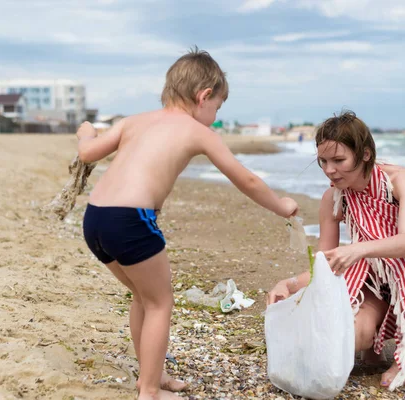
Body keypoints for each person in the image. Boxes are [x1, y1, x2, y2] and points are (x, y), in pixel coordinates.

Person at [78, 48, 299, 400]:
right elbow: (248, 181)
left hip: (95, 219)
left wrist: (85, 132)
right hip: (131, 220)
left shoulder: (134, 121)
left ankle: (152, 375)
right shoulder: (197, 131)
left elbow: (88, 153)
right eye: (217, 108)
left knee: (143, 296)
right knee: (159, 302)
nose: (214, 116)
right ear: (204, 96)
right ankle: (150, 391)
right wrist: (281, 205)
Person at [267, 111, 405, 391]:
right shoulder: (333, 197)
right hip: (370, 278)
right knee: (355, 337)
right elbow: (325, 263)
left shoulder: (401, 181)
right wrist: (289, 284)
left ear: (365, 154)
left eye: (339, 160)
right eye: (323, 161)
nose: (329, 170)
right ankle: (373, 344)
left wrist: (357, 249)